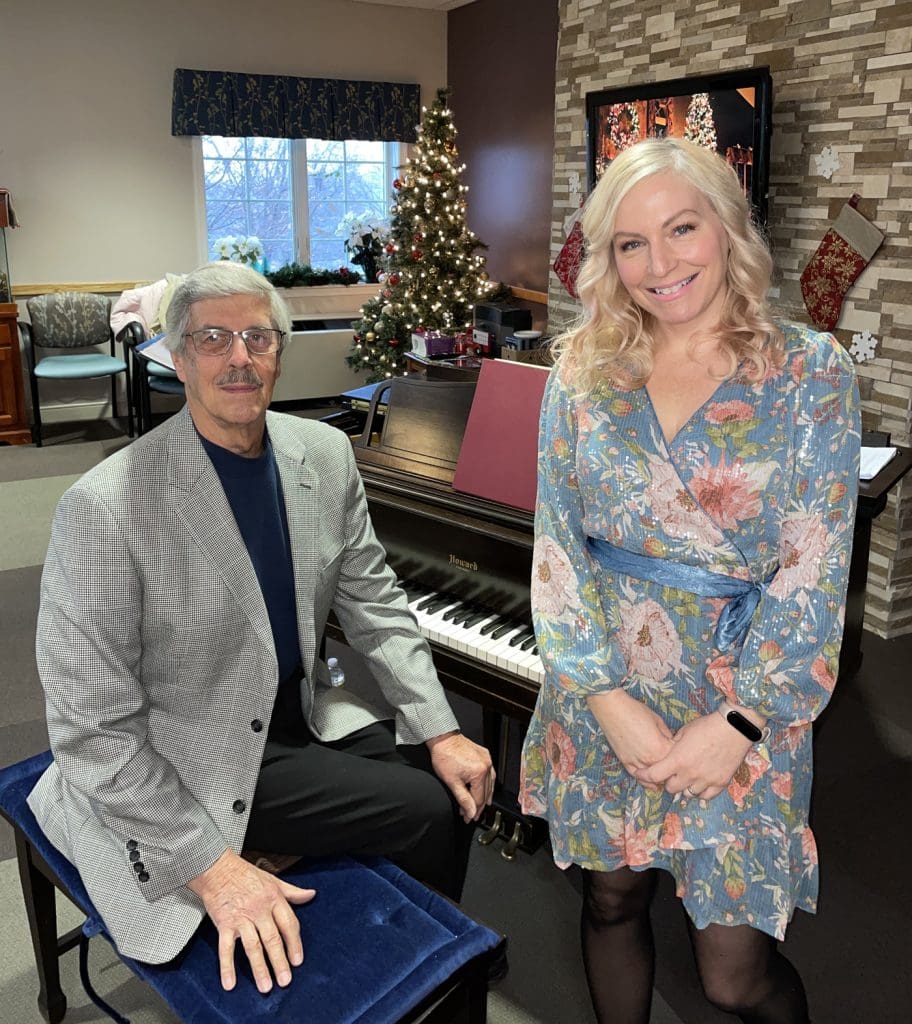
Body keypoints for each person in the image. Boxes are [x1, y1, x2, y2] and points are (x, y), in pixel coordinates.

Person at [28, 261, 494, 994]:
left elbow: (375, 602)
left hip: (293, 711)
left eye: (257, 337)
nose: (239, 358)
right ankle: (403, 982)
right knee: (430, 811)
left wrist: (441, 728)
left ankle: (393, 951)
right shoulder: (107, 506)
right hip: (182, 747)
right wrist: (211, 869)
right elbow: (90, 728)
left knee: (450, 777)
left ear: (281, 351)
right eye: (213, 338)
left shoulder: (324, 453)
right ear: (178, 358)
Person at [520, 138, 859, 1024]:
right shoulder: (582, 372)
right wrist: (598, 694)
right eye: (631, 243)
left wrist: (743, 719)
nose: (659, 264)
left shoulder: (808, 373)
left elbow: (813, 568)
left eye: (681, 228)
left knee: (732, 976)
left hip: (745, 702)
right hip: (605, 694)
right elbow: (557, 548)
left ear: (729, 229)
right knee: (610, 903)